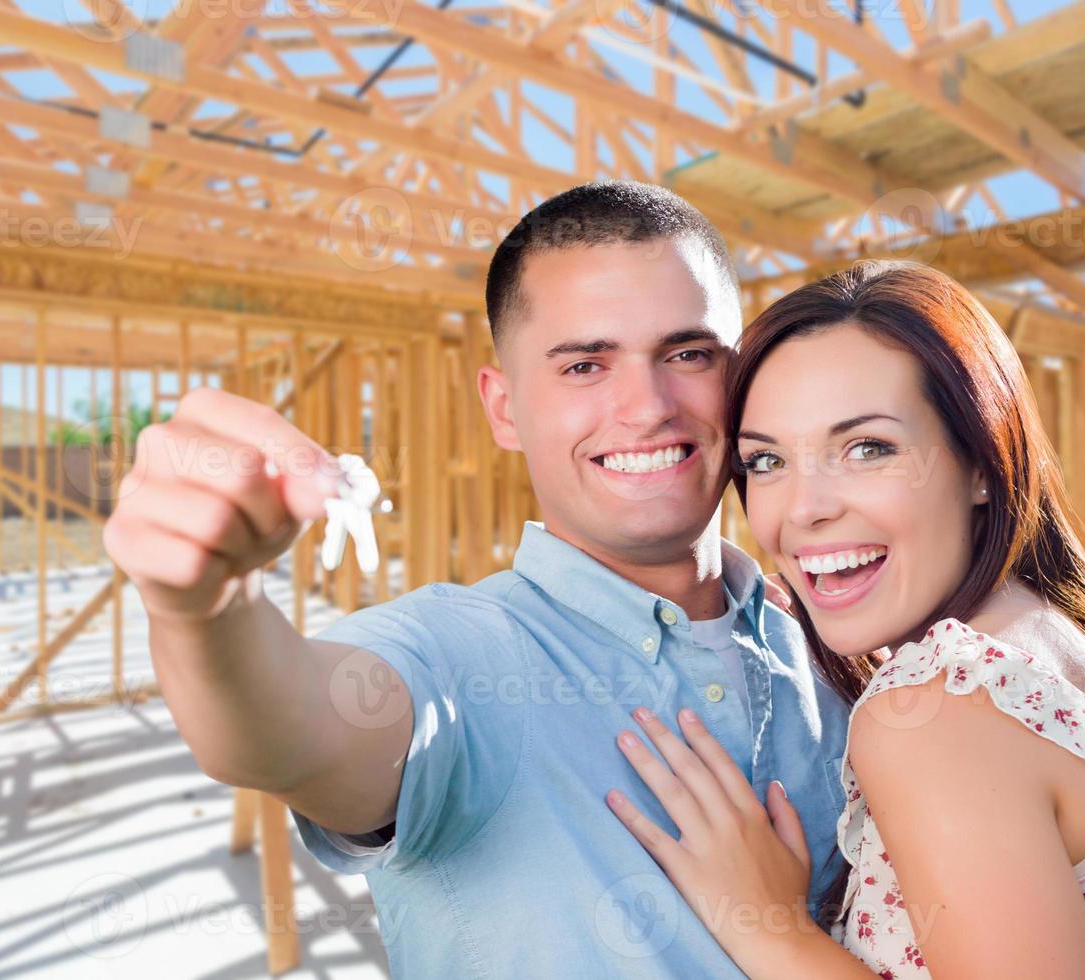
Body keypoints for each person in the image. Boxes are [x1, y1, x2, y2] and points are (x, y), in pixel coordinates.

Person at [101, 180, 851, 976]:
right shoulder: (457, 654)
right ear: (503, 408)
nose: (647, 406)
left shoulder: (827, 638)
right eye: (585, 365)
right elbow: (287, 731)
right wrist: (206, 612)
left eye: (689, 354)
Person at [605, 260, 1085, 978]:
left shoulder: (936, 711)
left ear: (981, 462)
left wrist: (774, 932)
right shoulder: (1064, 635)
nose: (803, 509)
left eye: (867, 449)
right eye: (768, 461)